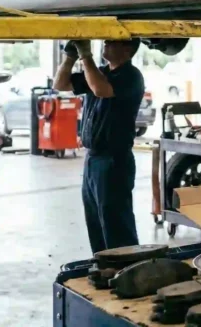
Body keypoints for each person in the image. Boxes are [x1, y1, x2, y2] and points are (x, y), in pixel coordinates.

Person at [55, 39, 146, 253]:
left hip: (114, 159)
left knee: (115, 219)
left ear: (128, 49)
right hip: (93, 158)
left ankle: (125, 269)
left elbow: (100, 90)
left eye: (112, 41)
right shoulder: (100, 71)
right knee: (95, 218)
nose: (105, 42)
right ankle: (104, 264)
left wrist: (86, 56)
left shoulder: (131, 76)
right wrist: (69, 56)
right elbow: (60, 84)